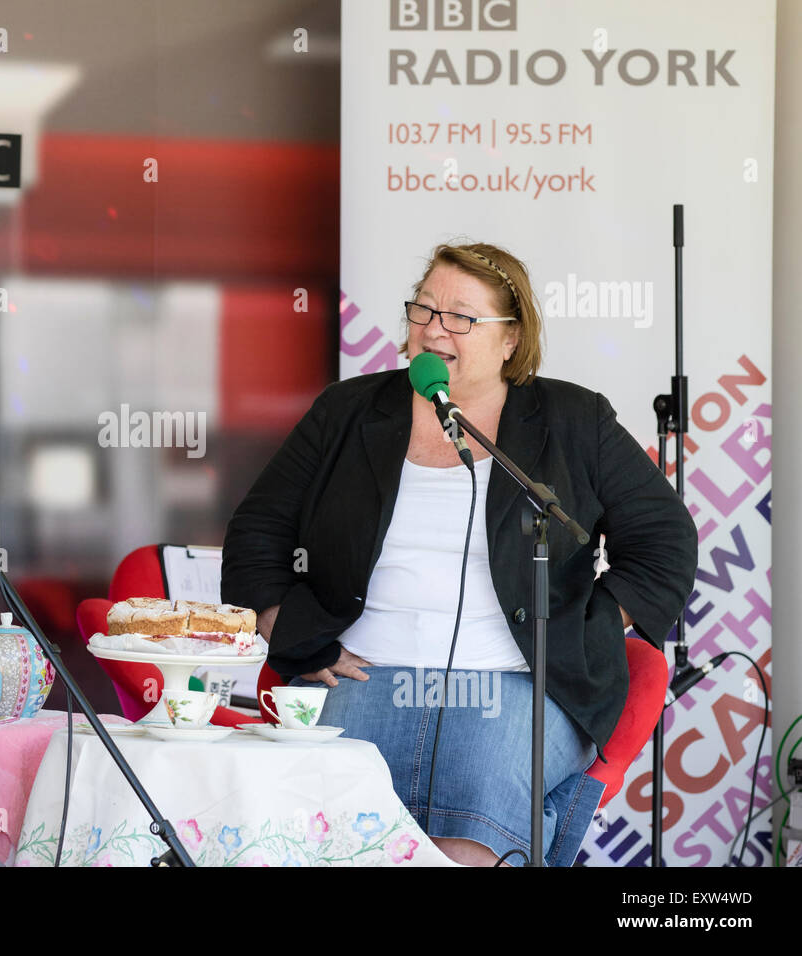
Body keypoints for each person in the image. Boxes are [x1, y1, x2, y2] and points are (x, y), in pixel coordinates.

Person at [221, 241, 698, 867]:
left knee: (464, 848)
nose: (432, 329)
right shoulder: (347, 411)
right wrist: (292, 628)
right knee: (331, 842)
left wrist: (592, 628)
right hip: (368, 672)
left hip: (517, 684)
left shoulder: (574, 418)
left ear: (510, 339)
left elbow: (664, 540)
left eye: (461, 318)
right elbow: (258, 532)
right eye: (423, 310)